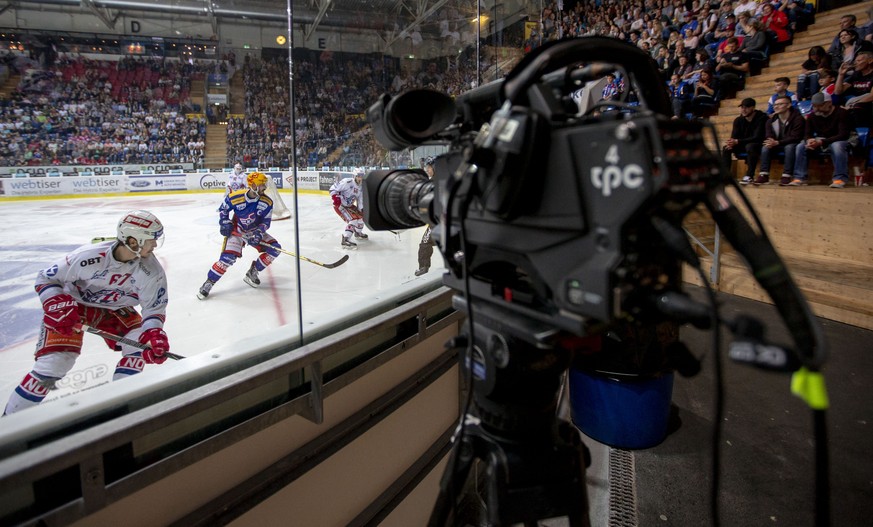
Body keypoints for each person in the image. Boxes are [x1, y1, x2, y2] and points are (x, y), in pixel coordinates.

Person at [4, 211, 170, 415]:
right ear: (133, 241)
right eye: (152, 240)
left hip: (116, 310)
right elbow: (45, 278)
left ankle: (120, 410)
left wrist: (153, 333)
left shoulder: (151, 271)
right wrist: (54, 301)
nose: (155, 245)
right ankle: (9, 422)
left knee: (138, 348)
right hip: (73, 307)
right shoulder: (87, 257)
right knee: (55, 363)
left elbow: (153, 308)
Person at [198, 172, 282, 299]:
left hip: (254, 231)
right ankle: (209, 282)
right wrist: (224, 222)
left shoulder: (267, 202)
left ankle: (253, 271)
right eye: (262, 185)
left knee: (275, 249)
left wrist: (258, 233)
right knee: (227, 259)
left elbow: (266, 222)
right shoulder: (235, 197)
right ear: (253, 185)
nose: (264, 188)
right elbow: (223, 209)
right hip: (238, 231)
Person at [791, 92, 851, 188]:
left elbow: (843, 135)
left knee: (837, 146)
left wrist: (821, 142)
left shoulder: (842, 113)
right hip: (822, 140)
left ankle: (840, 178)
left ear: (829, 103)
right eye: (814, 106)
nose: (817, 108)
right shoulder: (812, 116)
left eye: (820, 105)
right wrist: (809, 140)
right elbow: (807, 133)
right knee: (801, 146)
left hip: (842, 139)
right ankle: (800, 177)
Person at [756, 95, 805, 185]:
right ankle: (764, 175)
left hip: (792, 143)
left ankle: (787, 175)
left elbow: (796, 137)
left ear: (789, 105)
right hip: (776, 143)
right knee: (765, 147)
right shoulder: (770, 121)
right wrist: (770, 141)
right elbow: (768, 135)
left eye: (780, 104)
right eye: (775, 105)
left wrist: (778, 142)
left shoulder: (798, 118)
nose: (776, 107)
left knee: (789, 147)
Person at [722, 97, 767, 184]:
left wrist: (737, 141)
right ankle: (725, 175)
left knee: (750, 146)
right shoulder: (738, 120)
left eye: (746, 107)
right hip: (743, 144)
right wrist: (731, 143)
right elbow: (734, 137)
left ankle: (749, 175)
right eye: (742, 107)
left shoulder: (762, 118)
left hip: (758, 144)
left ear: (753, 108)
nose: (743, 110)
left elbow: (757, 137)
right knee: (726, 148)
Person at [330, 169, 367, 249]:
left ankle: (358, 232)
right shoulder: (347, 182)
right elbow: (333, 188)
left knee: (361, 218)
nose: (360, 178)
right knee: (353, 220)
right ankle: (345, 239)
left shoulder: (361, 187)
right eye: (358, 176)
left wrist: (361, 209)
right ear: (354, 176)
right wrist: (336, 198)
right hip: (340, 205)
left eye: (362, 176)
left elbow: (360, 200)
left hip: (349, 205)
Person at [835, 50, 873, 128]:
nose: (855, 63)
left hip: (866, 104)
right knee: (834, 98)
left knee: (857, 107)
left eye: (859, 60)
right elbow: (837, 92)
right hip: (854, 102)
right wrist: (841, 74)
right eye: (855, 61)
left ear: (870, 61)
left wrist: (852, 105)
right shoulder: (856, 74)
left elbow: (872, 96)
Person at [416, 158, 436, 276]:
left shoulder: (435, 183)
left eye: (429, 167)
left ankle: (423, 267)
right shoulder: (435, 181)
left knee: (425, 243)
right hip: (440, 220)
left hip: (438, 221)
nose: (427, 170)